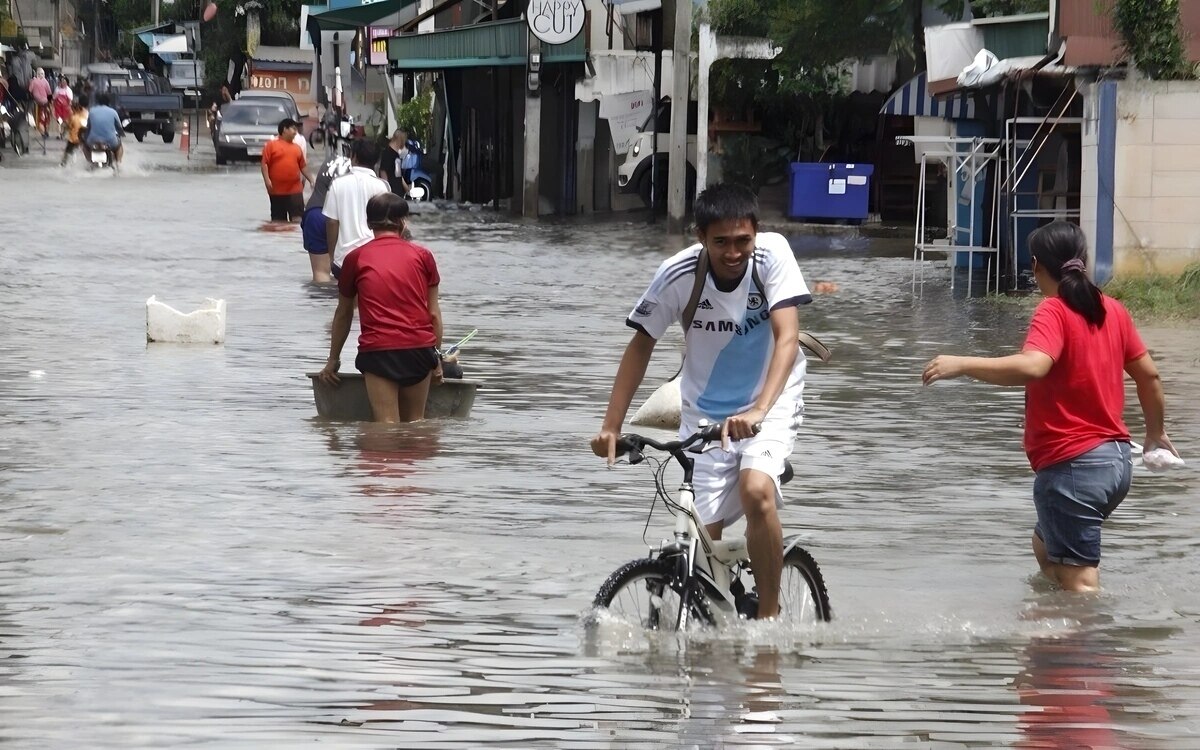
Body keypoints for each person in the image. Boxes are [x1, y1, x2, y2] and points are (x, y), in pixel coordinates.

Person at [591, 183, 814, 619]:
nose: (734, 252)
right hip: (706, 413)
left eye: (742, 241)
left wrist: (759, 411)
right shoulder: (678, 274)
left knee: (755, 491)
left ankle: (768, 622)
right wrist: (612, 426)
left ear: (756, 233)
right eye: (721, 243)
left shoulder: (772, 256)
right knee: (699, 544)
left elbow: (787, 337)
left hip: (772, 398)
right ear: (700, 237)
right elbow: (640, 346)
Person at [922, 221, 1177, 592]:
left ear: (1036, 265)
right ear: (1084, 260)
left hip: (1073, 467)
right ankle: (1052, 630)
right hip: (1116, 465)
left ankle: (1089, 644)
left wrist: (963, 364)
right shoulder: (1113, 310)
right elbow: (1150, 377)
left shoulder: (1053, 311)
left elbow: (1033, 366)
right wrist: (1155, 433)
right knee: (1045, 547)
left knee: (1080, 581)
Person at [318, 192, 444, 423]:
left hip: (379, 351)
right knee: (416, 423)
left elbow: (344, 313)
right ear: (404, 222)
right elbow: (433, 314)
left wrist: (333, 360)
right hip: (418, 349)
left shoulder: (355, 258)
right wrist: (436, 359)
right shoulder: (423, 256)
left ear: (368, 223)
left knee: (386, 425)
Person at [322, 138, 389, 276]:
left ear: (354, 157)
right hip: (373, 259)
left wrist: (332, 255)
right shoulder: (382, 187)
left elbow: (332, 222)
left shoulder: (337, 184)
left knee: (343, 297)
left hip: (344, 260)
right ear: (376, 161)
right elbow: (386, 224)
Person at [300, 154, 352, 283]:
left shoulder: (330, 160)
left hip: (315, 212)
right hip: (341, 215)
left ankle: (321, 303)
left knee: (321, 274)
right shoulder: (360, 170)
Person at [260, 118, 313, 223]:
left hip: (295, 191)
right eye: (293, 129)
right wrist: (267, 180)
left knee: (298, 220)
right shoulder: (271, 145)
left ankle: (294, 239)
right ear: (284, 129)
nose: (296, 132)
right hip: (276, 191)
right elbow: (264, 164)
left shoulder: (297, 148)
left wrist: (311, 179)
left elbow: (303, 166)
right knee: (278, 222)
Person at [84, 92, 124, 165]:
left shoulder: (92, 111)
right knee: (119, 146)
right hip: (110, 141)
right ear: (108, 102)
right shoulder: (113, 112)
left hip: (93, 140)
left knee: (85, 146)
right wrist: (122, 134)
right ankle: (118, 163)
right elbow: (119, 127)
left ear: (98, 102)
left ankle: (89, 162)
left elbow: (88, 126)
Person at [377, 128, 411, 196]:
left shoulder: (396, 155)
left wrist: (407, 189)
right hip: (391, 193)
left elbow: (398, 175)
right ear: (400, 140)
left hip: (398, 193)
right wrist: (387, 191)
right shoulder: (387, 153)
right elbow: (383, 171)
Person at [61, 100, 88, 166]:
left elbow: (68, 126)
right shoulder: (84, 116)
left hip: (73, 138)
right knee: (77, 150)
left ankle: (64, 163)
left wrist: (63, 132)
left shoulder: (73, 117)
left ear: (74, 109)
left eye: (72, 109)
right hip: (82, 138)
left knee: (68, 151)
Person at [27, 68, 51, 137]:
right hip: (44, 102)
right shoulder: (45, 82)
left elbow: (29, 91)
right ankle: (45, 130)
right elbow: (49, 93)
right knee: (45, 117)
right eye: (41, 73)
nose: (41, 75)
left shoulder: (33, 81)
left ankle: (42, 131)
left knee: (39, 117)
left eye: (42, 73)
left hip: (37, 102)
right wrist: (49, 102)